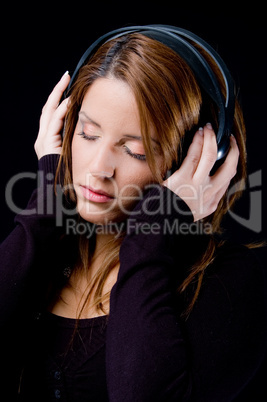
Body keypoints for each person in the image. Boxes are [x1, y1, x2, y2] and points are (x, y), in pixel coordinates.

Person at [0, 30, 266, 401]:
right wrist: (48, 198)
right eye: (88, 134)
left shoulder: (228, 282)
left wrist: (151, 233)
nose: (98, 168)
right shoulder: (38, 250)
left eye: (137, 152)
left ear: (201, 160)